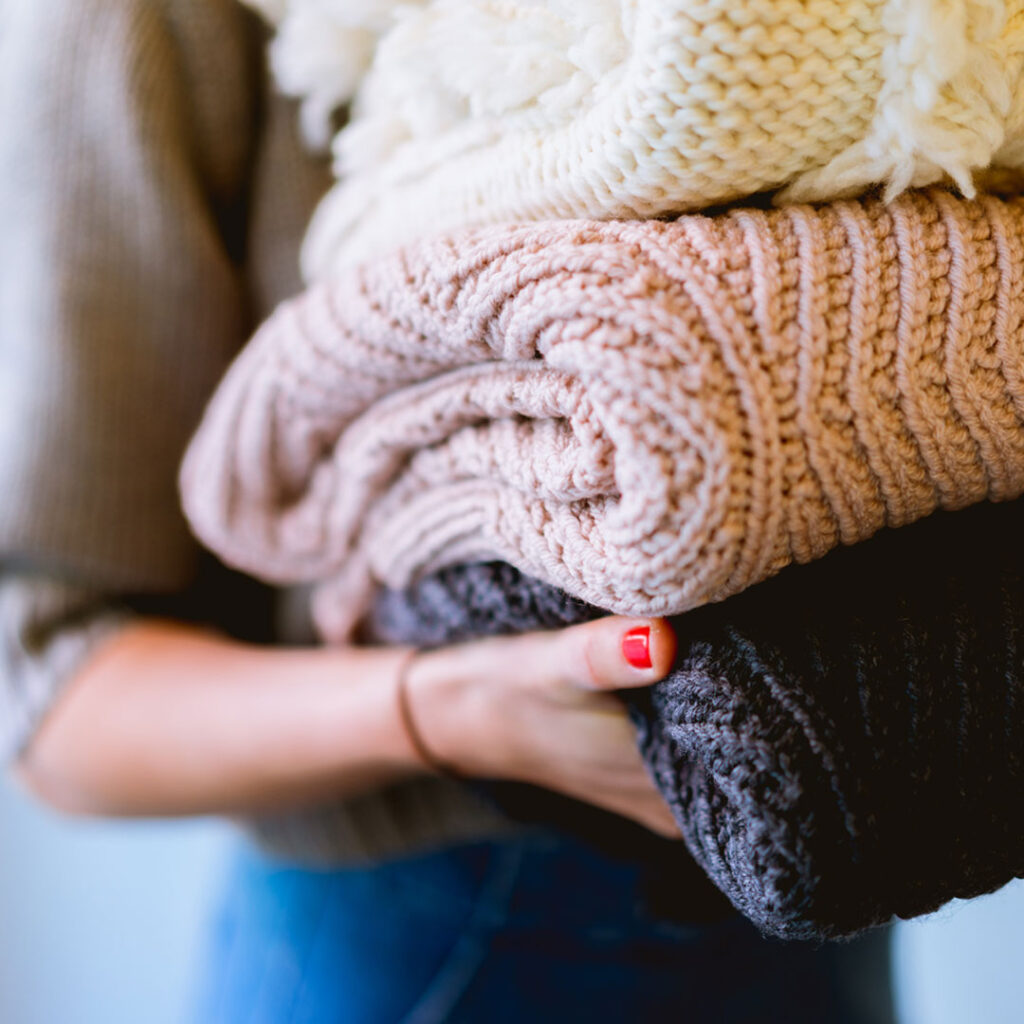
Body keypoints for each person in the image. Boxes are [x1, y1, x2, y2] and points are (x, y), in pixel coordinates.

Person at [0, 1, 893, 1020]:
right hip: (447, 928)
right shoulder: (144, 23)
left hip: (820, 872)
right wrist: (446, 708)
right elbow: (55, 694)